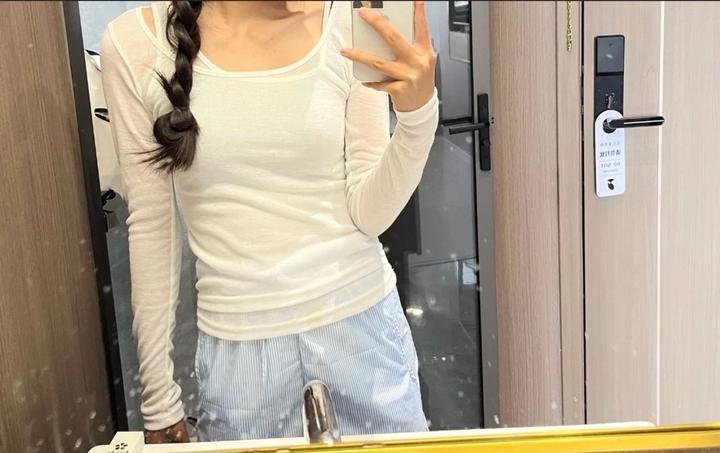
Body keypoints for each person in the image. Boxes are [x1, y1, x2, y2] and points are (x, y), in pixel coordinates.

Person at [101, 0, 438, 443]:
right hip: (241, 357)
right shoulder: (135, 45)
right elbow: (152, 226)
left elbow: (369, 214)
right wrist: (158, 397)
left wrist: (417, 116)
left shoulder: (347, 23)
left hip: (363, 334)